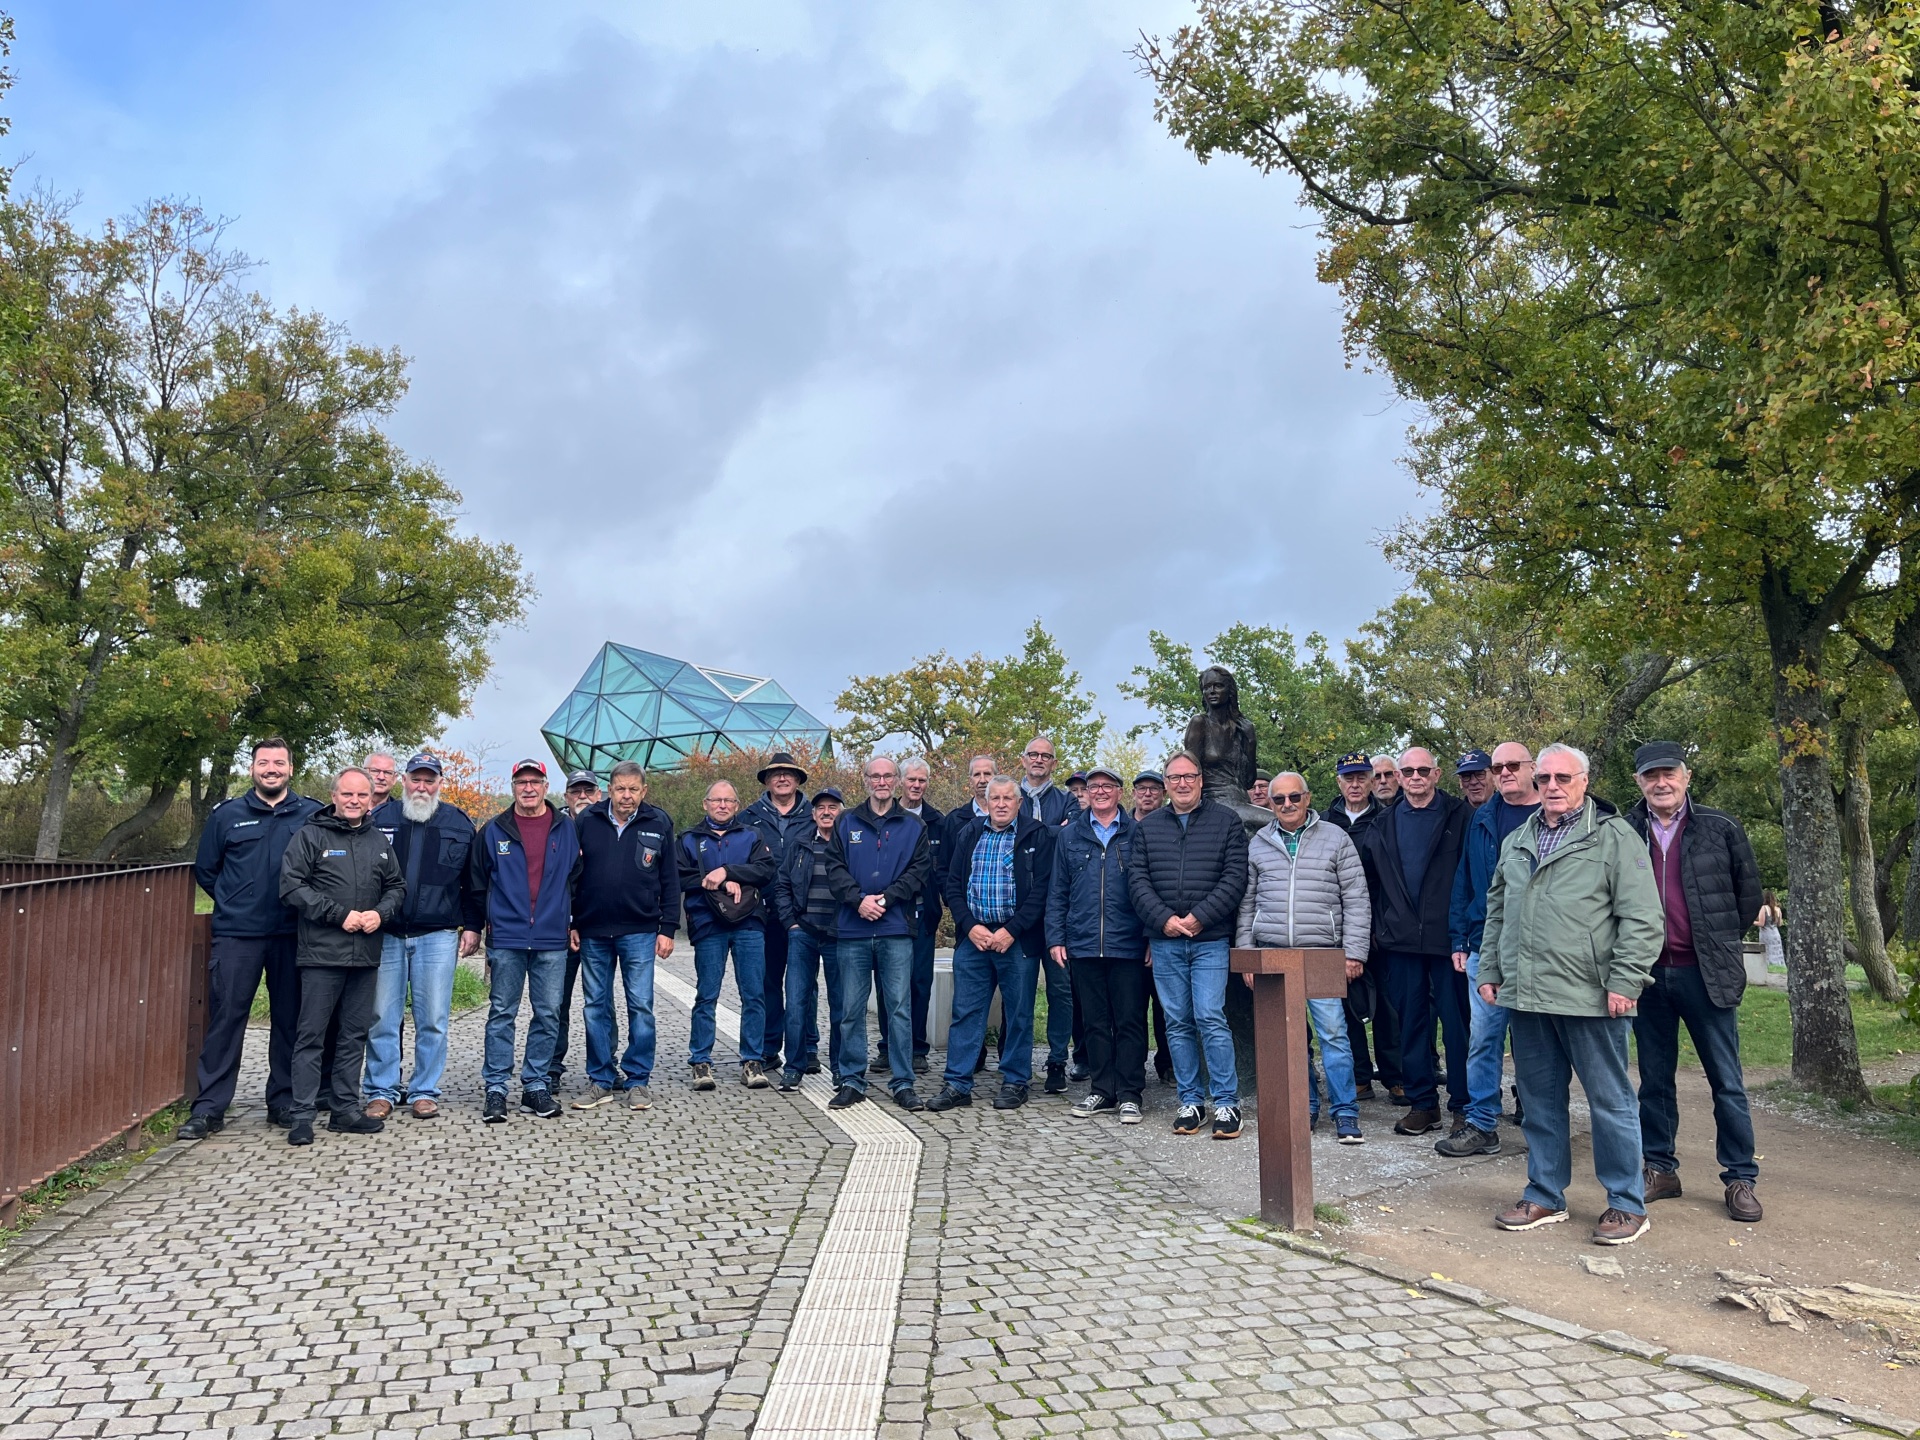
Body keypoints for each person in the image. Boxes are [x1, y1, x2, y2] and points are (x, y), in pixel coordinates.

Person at [1482, 742, 1663, 1245]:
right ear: (1534, 783)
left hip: (1592, 995)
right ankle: (1544, 1194)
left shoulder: (1613, 838)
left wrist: (1626, 980)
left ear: (1584, 782)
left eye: (1564, 778)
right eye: (1544, 779)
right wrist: (1491, 969)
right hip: (1528, 995)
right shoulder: (1518, 839)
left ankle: (1627, 1203)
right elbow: (1498, 912)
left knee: (1610, 1102)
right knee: (1539, 1103)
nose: (1553, 787)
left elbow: (1644, 919)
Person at [1624, 741, 1765, 1222]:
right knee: (1654, 1081)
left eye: (1669, 773)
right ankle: (1660, 1169)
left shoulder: (1720, 827)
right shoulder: (1623, 830)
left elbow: (1748, 897)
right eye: (1651, 776)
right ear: (1639, 782)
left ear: (1685, 776)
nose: (1661, 783)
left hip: (1706, 974)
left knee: (1726, 1081)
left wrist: (1714, 942)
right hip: (1646, 975)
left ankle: (1740, 1177)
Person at [180, 737, 324, 1139]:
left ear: (291, 769)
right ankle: (209, 1108)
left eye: (279, 762)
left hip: (294, 933)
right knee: (226, 1019)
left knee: (290, 1021)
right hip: (237, 936)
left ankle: (283, 1101)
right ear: (253, 769)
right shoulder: (227, 815)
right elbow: (207, 870)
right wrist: (235, 901)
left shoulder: (311, 814)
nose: (272, 769)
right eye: (264, 763)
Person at [1237, 772, 1371, 1143]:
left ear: (1307, 798)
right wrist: (1248, 953)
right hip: (1274, 954)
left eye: (1294, 797)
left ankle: (1345, 1111)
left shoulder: (1335, 838)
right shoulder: (1260, 842)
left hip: (1322, 952)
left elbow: (1357, 899)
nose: (1287, 805)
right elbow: (1247, 902)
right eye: (1278, 800)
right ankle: (1304, 1105)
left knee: (1334, 1035)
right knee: (1290, 1037)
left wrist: (1354, 952)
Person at [278, 767, 405, 1146]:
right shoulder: (310, 836)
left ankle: (345, 1110)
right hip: (321, 955)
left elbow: (397, 886)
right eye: (347, 795)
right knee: (311, 1037)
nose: (354, 801)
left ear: (371, 800)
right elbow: (291, 887)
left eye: (362, 796)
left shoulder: (379, 841)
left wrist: (380, 913)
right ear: (333, 796)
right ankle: (301, 1115)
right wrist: (338, 915)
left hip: (365, 956)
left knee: (354, 1035)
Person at [1127, 750, 1250, 1139]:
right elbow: (1137, 881)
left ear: (1200, 781)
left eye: (1189, 776)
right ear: (1166, 784)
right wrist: (1164, 920)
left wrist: (1199, 918)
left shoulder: (1225, 820)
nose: (1182, 783)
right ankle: (1191, 1101)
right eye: (1174, 777)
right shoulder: (1149, 828)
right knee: (1177, 1022)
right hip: (1164, 940)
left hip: (1209, 939)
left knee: (1211, 1017)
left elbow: (1235, 878)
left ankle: (1227, 1104)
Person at [462, 758, 581, 1124]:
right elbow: (477, 883)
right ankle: (496, 1088)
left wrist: (573, 921)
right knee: (502, 1014)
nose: (528, 788)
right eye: (521, 782)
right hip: (507, 938)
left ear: (547, 787)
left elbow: (576, 881)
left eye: (535, 781)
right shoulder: (493, 830)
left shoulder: (566, 828)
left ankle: (535, 1085)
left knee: (548, 1014)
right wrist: (475, 926)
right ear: (513, 787)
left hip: (551, 938)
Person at [929, 776, 1058, 1112]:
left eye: (1008, 798)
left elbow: (1042, 890)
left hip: (1016, 939)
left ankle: (1016, 1081)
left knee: (1018, 1014)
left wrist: (1012, 930)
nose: (1001, 804)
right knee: (966, 1012)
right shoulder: (969, 832)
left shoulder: (1035, 835)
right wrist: (969, 926)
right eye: (995, 798)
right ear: (986, 801)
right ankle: (957, 1083)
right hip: (974, 938)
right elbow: (953, 885)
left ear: (1019, 802)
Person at [1360, 747, 1471, 1138]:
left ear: (1437, 774)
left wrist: (1468, 931)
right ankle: (1423, 1104)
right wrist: (1380, 925)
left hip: (1449, 940)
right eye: (1408, 771)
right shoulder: (1383, 824)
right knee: (1411, 1024)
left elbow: (1473, 877)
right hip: (1402, 940)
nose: (1415, 776)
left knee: (1458, 1026)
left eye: (1423, 770)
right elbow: (1369, 882)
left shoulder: (1461, 817)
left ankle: (1463, 1105)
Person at [1437, 742, 1541, 1157]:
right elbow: (1464, 879)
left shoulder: (1551, 814)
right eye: (1498, 767)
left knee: (1535, 1041)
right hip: (1485, 945)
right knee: (1483, 1036)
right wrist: (1459, 937)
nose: (1504, 772)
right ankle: (1482, 1122)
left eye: (1513, 765)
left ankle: (1540, 1120)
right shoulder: (1484, 817)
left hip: (1539, 947)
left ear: (1532, 768)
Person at [365, 752, 477, 1121]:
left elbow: (473, 883)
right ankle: (381, 1089)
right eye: (416, 778)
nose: (422, 786)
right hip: (388, 933)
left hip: (437, 935)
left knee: (433, 1018)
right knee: (382, 1016)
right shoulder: (379, 820)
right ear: (404, 781)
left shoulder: (459, 823)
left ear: (440, 783)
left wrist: (473, 926)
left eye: (430, 779)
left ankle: (424, 1090)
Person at [569, 760, 677, 1112]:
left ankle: (638, 1080)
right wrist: (571, 920)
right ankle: (601, 1079)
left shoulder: (658, 822)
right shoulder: (586, 820)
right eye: (620, 789)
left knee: (641, 1006)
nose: (627, 795)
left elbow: (670, 880)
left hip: (640, 930)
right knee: (595, 1007)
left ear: (644, 791)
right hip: (593, 930)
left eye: (633, 789)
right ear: (608, 790)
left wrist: (668, 928)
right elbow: (572, 875)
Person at [824, 757, 932, 1110]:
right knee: (851, 1009)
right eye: (875, 776)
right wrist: (858, 901)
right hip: (852, 929)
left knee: (899, 1008)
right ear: (865, 779)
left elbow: (918, 872)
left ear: (897, 781)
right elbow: (834, 869)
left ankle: (903, 1082)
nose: (881, 781)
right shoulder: (845, 821)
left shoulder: (914, 826)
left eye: (888, 776)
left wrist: (885, 899)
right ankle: (852, 1079)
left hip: (896, 927)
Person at [1046, 766, 1146, 1123]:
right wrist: (1056, 937)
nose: (1100, 791)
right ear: (1085, 794)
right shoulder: (1070, 836)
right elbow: (1057, 891)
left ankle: (1131, 1093)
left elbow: (1150, 890)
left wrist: (1149, 937)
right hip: (1084, 942)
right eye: (1093, 787)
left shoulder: (1139, 834)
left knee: (1131, 1020)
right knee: (1095, 1021)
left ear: (1120, 792)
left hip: (1128, 943)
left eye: (1108, 786)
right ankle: (1102, 1090)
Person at [678, 780, 777, 1090]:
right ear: (705, 804)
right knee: (707, 994)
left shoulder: (752, 835)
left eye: (728, 801)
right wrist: (719, 881)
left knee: (754, 994)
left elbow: (765, 870)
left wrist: (731, 872)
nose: (722, 805)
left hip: (749, 922)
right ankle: (701, 1061)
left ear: (737, 805)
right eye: (716, 800)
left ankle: (752, 1061)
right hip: (708, 923)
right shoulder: (689, 839)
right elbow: (679, 876)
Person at [1324, 750, 1397, 1103]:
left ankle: (1395, 1074)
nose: (1355, 784)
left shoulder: (1388, 819)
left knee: (1387, 1005)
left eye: (1361, 777)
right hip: (1335, 927)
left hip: (1380, 926)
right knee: (1345, 1003)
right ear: (1339, 782)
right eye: (1348, 778)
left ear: (1371, 780)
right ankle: (1359, 1076)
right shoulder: (1324, 822)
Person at [772, 787, 846, 1090]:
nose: (826, 812)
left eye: (833, 807)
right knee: (797, 1002)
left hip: (840, 935)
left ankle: (842, 1068)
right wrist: (790, 922)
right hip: (803, 933)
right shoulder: (800, 844)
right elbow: (782, 885)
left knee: (842, 1005)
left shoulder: (850, 847)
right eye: (821, 808)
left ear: (842, 812)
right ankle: (794, 1065)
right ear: (813, 814)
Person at [743, 752, 813, 1075]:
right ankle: (770, 1047)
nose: (782, 778)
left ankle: (807, 1048)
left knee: (805, 984)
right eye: (775, 774)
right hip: (765, 914)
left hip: (806, 914)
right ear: (767, 781)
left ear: (798, 779)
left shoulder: (816, 815)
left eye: (788, 774)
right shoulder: (749, 818)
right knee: (768, 981)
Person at [547, 769, 603, 1092]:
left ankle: (604, 1067)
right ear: (567, 796)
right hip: (561, 929)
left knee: (600, 1002)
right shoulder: (555, 826)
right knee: (556, 1002)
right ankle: (552, 1067)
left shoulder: (608, 825)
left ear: (599, 794)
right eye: (576, 790)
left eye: (588, 790)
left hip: (597, 929)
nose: (582, 795)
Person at [896, 758, 945, 1074]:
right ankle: (889, 1048)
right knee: (891, 984)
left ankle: (917, 1048)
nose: (916, 785)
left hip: (924, 913)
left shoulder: (937, 821)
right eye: (911, 779)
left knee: (920, 983)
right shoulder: (886, 816)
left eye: (922, 780)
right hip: (891, 913)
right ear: (901, 781)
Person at [1132, 768, 1173, 1084]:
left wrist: (1155, 934)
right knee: (1129, 1009)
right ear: (1133, 793)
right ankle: (1131, 1069)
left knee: (1165, 1007)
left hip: (1162, 931)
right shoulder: (1120, 827)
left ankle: (1167, 1065)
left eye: (1154, 789)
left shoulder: (1172, 827)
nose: (1148, 794)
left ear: (1164, 793)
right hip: (1124, 934)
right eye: (1142, 788)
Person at [1018, 737, 1077, 826]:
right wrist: (1058, 830)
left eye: (1045, 756)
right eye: (1033, 755)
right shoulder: (1009, 798)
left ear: (1054, 764)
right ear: (1023, 761)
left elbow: (1071, 835)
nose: (1038, 760)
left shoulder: (1067, 801)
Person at [1759, 890, 1785, 972]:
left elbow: (1761, 923)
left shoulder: (1764, 908)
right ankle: (1778, 966)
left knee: (1767, 951)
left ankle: (1767, 967)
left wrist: (1751, 921)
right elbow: (1780, 923)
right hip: (1776, 933)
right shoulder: (1777, 909)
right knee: (1777, 952)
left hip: (1766, 933)